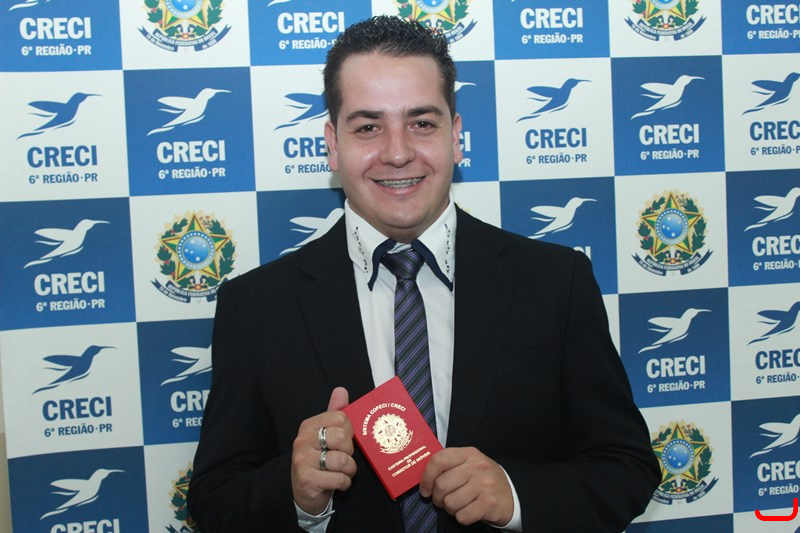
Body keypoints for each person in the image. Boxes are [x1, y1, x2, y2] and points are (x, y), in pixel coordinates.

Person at [188, 15, 660, 532]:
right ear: (333, 144)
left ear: (455, 136)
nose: (397, 153)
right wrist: (297, 493)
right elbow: (213, 501)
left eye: (422, 123)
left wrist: (514, 494)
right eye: (368, 127)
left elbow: (627, 468)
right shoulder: (256, 306)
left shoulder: (555, 282)